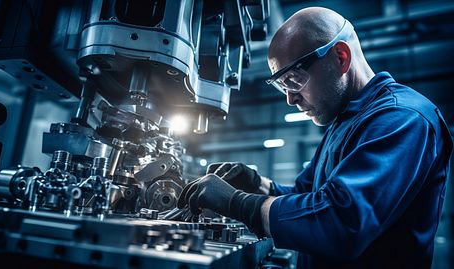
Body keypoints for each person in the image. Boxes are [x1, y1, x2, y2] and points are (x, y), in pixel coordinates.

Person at [177, 7, 453, 268]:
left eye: (294, 80)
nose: (289, 98)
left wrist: (237, 203)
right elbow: (306, 196)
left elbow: (341, 222)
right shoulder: (344, 121)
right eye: (282, 86)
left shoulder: (402, 118)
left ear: (340, 57)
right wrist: (256, 184)